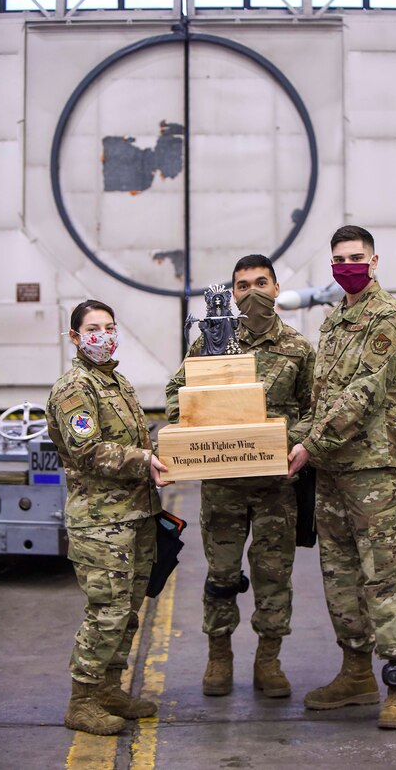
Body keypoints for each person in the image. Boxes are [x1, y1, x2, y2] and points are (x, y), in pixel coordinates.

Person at [288, 226, 396, 730]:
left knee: (385, 575)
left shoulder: (391, 319)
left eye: (355, 257)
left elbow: (362, 395)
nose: (347, 265)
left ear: (374, 260)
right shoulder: (333, 323)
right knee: (340, 577)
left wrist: (307, 446)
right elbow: (322, 401)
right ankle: (355, 673)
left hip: (374, 470)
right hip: (332, 474)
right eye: (339, 259)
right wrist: (285, 441)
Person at [166, 255, 315, 698]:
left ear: (276, 287)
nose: (251, 292)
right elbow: (177, 392)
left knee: (274, 576)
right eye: (241, 285)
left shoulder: (297, 348)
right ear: (231, 293)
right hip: (223, 485)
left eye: (260, 283)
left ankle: (268, 660)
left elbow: (313, 409)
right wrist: (192, 426)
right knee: (221, 575)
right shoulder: (211, 340)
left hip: (276, 486)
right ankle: (219, 656)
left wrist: (295, 443)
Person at [46, 299, 169, 736]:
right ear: (76, 337)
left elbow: (134, 440)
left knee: (129, 610)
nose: (104, 335)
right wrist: (146, 460)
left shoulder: (116, 382)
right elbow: (87, 450)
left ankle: (109, 689)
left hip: (134, 516)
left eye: (110, 326)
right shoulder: (75, 388)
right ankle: (81, 700)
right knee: (107, 612)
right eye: (93, 328)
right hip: (100, 523)